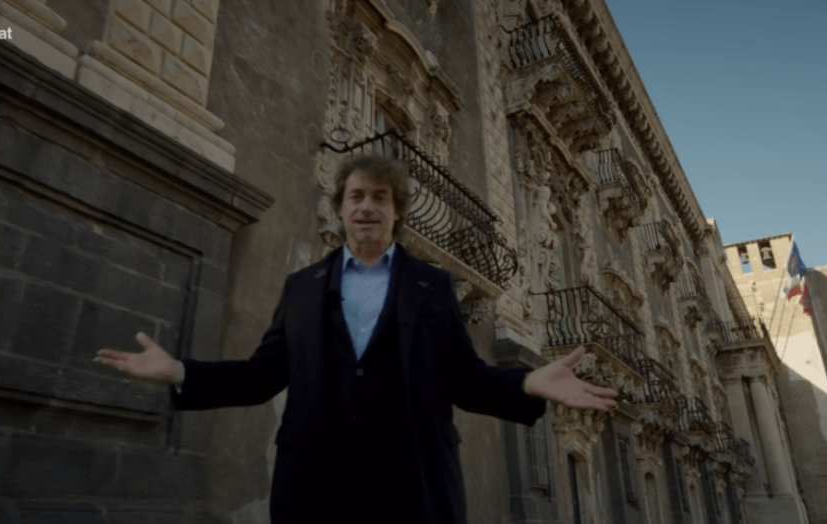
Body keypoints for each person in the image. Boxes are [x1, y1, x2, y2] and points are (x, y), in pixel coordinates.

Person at [95, 155, 618, 524]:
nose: (367, 206)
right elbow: (261, 376)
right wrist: (180, 371)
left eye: (380, 198)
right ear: (341, 208)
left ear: (397, 211)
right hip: (316, 488)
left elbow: (463, 378)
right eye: (357, 196)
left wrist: (528, 382)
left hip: (412, 488)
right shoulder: (301, 288)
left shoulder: (433, 287)